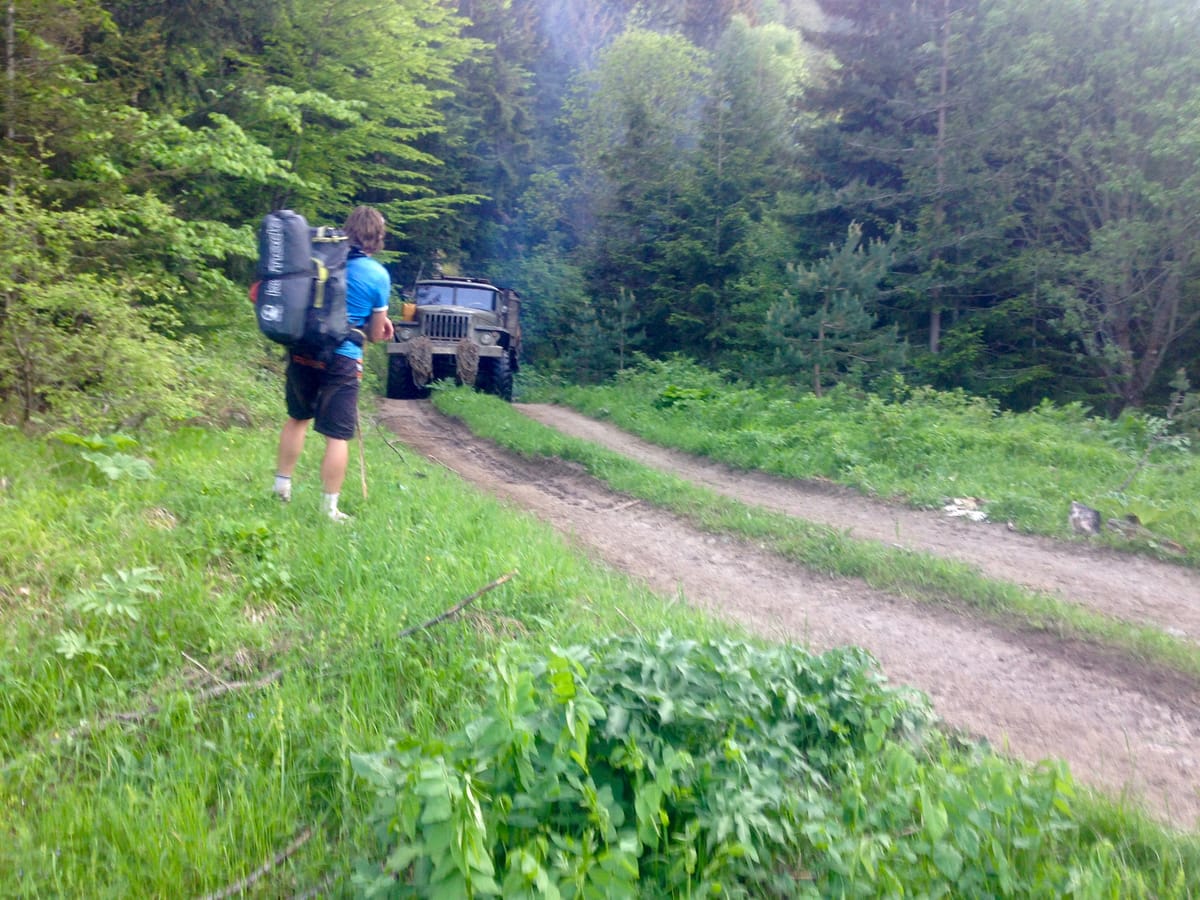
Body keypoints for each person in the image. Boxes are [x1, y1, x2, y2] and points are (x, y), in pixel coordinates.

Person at [272, 205, 394, 521]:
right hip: (343, 358)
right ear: (377, 239)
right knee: (337, 436)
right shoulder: (378, 275)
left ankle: (281, 488)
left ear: (348, 229)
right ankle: (329, 510)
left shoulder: (316, 259)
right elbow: (377, 334)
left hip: (303, 347)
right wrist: (382, 327)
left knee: (297, 417)